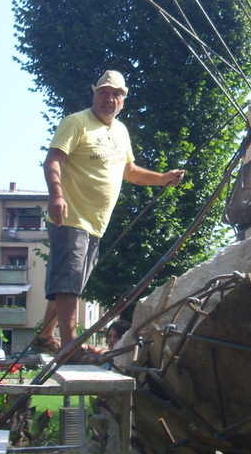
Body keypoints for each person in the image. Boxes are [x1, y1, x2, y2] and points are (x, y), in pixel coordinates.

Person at [34, 70, 185, 364]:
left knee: (70, 281)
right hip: (71, 217)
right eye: (103, 92)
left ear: (123, 101)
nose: (109, 98)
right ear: (94, 94)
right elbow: (52, 160)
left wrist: (163, 178)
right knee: (69, 284)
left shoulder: (120, 132)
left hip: (95, 225)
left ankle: (45, 337)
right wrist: (57, 196)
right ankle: (69, 349)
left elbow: (129, 171)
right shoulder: (76, 123)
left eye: (115, 94)